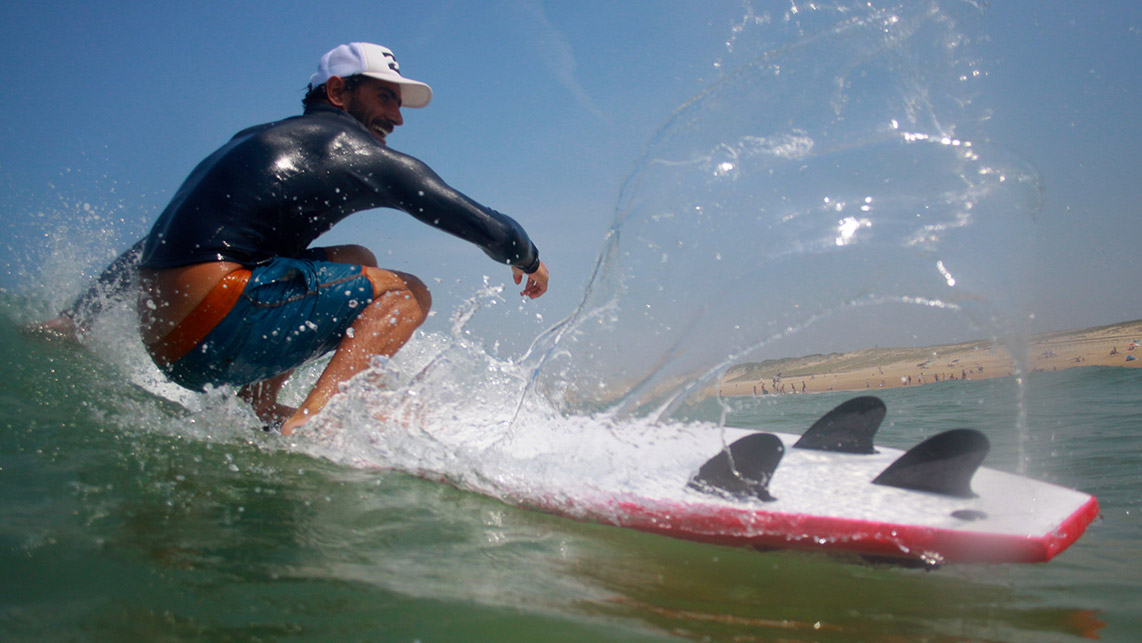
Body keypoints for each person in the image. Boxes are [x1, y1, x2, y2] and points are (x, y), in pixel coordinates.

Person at [32, 42, 549, 435]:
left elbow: (160, 240)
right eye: (384, 97)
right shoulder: (347, 147)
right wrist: (528, 258)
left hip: (167, 339)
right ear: (338, 92)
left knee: (357, 258)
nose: (395, 117)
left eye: (399, 104)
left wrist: (78, 318)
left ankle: (259, 404)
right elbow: (467, 214)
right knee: (406, 293)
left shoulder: (254, 139)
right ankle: (309, 429)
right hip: (216, 322)